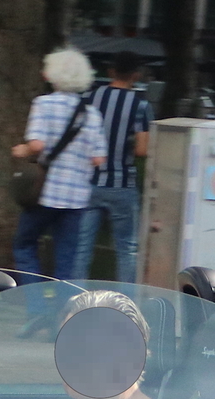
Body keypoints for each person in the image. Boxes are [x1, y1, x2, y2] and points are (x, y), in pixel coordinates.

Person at [10, 48, 108, 280]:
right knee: (67, 258)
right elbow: (98, 158)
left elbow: (37, 145)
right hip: (76, 198)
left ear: (51, 74)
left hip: (44, 192)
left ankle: (35, 303)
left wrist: (21, 150)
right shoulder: (91, 114)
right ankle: (61, 309)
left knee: (24, 244)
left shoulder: (43, 104)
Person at [71, 51, 154, 282]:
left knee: (81, 247)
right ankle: (125, 303)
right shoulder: (140, 105)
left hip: (89, 183)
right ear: (136, 75)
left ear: (110, 71)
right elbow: (142, 150)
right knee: (127, 248)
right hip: (122, 184)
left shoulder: (89, 98)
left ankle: (73, 297)